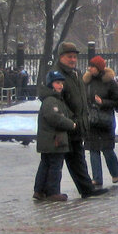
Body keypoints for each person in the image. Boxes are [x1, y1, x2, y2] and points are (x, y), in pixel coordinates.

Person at [38, 42, 108, 199]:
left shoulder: (75, 73)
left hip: (77, 124)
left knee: (76, 158)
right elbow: (55, 100)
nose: (73, 60)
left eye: (75, 57)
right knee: (56, 160)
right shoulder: (56, 75)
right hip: (66, 125)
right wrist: (70, 119)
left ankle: (85, 188)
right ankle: (50, 191)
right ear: (61, 57)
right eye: (69, 56)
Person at [33, 70, 76, 203]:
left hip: (49, 140)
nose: (60, 86)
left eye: (61, 83)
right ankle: (53, 191)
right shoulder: (51, 100)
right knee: (55, 166)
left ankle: (39, 190)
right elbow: (54, 117)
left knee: (46, 164)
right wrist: (71, 124)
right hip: (54, 140)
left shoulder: (53, 99)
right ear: (51, 84)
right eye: (57, 83)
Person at [83, 55, 118, 188]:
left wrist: (103, 102)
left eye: (93, 66)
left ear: (99, 68)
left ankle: (115, 173)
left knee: (107, 149)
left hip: (105, 121)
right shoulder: (86, 81)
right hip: (92, 120)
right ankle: (97, 178)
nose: (90, 69)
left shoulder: (109, 82)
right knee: (93, 149)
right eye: (90, 66)